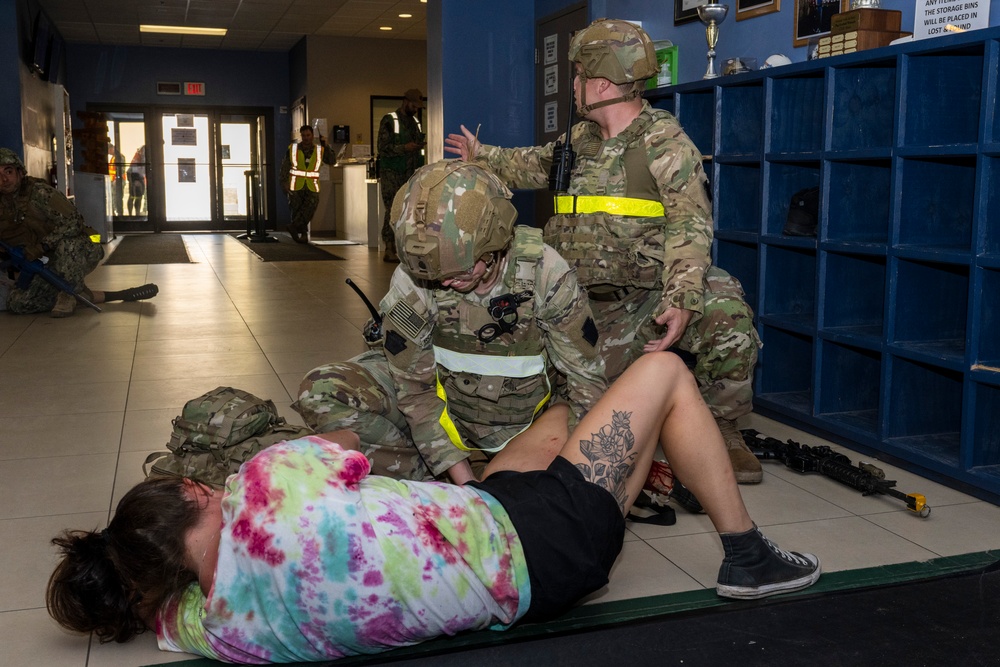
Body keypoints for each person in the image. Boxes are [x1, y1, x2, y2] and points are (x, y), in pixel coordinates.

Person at [46, 352, 822, 663]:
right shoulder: (262, 479)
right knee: (661, 371)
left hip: (494, 527)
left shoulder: (217, 628)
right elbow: (351, 438)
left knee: (549, 424)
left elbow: (159, 621)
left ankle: (637, 463)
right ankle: (748, 555)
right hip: (544, 546)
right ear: (194, 490)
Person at [445, 19, 764, 484]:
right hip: (578, 309)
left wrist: (679, 298)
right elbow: (529, 163)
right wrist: (481, 153)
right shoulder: (579, 142)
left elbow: (690, 227)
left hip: (643, 304)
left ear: (597, 82)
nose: (573, 86)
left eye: (577, 76)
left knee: (721, 302)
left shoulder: (665, 144)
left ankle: (721, 425)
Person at [293, 160, 606, 484]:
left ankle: (501, 478)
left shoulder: (545, 272)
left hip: (525, 425)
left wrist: (581, 477)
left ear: (495, 243)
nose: (444, 284)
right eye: (434, 275)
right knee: (322, 390)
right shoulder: (416, 277)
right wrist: (462, 483)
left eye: (459, 273)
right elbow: (414, 391)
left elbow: (586, 382)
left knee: (537, 494)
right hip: (444, 412)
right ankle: (430, 483)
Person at [0, 147, 158, 317]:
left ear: (19, 172)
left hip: (82, 249)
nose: (4, 179)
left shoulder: (40, 193)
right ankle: (86, 295)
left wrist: (42, 245)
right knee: (17, 304)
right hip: (45, 262)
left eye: (8, 172)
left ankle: (68, 295)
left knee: (68, 244)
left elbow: (74, 222)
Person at [376, 88, 426, 262]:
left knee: (408, 211)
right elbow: (383, 149)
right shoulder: (390, 121)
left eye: (417, 106)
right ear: (405, 101)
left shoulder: (415, 122)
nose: (415, 108)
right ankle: (389, 247)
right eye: (413, 105)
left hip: (411, 174)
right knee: (392, 210)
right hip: (392, 173)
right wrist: (405, 147)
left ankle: (404, 246)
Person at [279, 125, 335, 243]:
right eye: (303, 135)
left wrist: (326, 145)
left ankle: (294, 226)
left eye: (308, 135)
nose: (306, 138)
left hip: (312, 185)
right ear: (301, 136)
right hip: (296, 184)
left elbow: (332, 161)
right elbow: (285, 166)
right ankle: (302, 234)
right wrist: (284, 182)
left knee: (310, 208)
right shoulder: (293, 149)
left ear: (312, 136)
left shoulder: (320, 149)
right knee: (297, 210)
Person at [126, 145, 146, 217]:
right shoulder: (142, 153)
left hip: (137, 176)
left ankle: (134, 214)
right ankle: (133, 215)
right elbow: (135, 169)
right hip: (135, 176)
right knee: (135, 197)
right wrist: (135, 181)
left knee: (137, 197)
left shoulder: (141, 153)